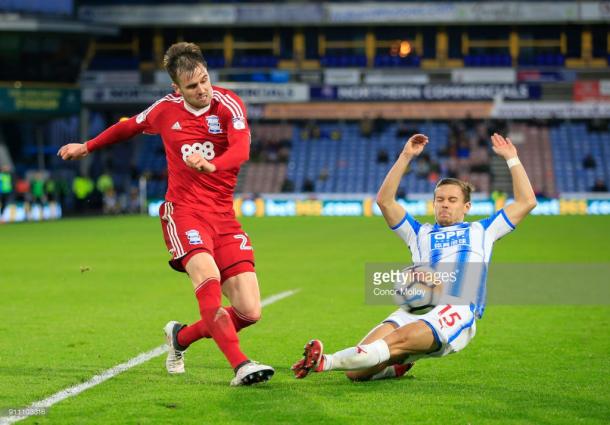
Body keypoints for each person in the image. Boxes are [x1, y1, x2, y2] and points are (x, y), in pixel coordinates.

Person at [57, 42, 274, 386]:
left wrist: (211, 164)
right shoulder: (165, 110)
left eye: (204, 80)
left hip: (223, 218)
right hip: (184, 212)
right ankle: (240, 364)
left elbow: (242, 148)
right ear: (177, 89)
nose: (202, 90)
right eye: (192, 86)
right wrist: (87, 146)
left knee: (249, 311)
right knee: (208, 283)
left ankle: (180, 338)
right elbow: (127, 127)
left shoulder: (228, 104)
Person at [292, 133, 537, 381]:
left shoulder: (483, 230)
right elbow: (385, 201)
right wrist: (406, 155)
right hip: (417, 306)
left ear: (466, 206)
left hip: (456, 307)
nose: (445, 205)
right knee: (356, 373)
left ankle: (324, 361)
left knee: (396, 341)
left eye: (452, 200)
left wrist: (512, 158)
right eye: (440, 199)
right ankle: (398, 366)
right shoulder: (419, 232)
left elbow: (527, 201)